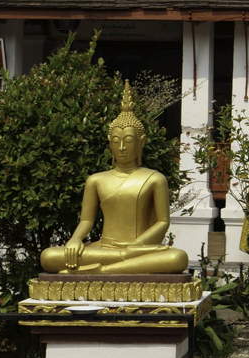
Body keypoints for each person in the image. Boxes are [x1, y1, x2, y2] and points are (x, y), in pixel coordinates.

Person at [40, 82, 188, 274]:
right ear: (110, 144)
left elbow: (162, 222)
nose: (122, 148)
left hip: (137, 249)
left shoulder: (154, 179)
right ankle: (117, 266)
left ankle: (100, 271)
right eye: (116, 141)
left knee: (177, 258)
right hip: (105, 249)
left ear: (141, 142)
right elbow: (86, 221)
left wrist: (133, 247)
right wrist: (75, 239)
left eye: (128, 141)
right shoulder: (96, 180)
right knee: (49, 256)